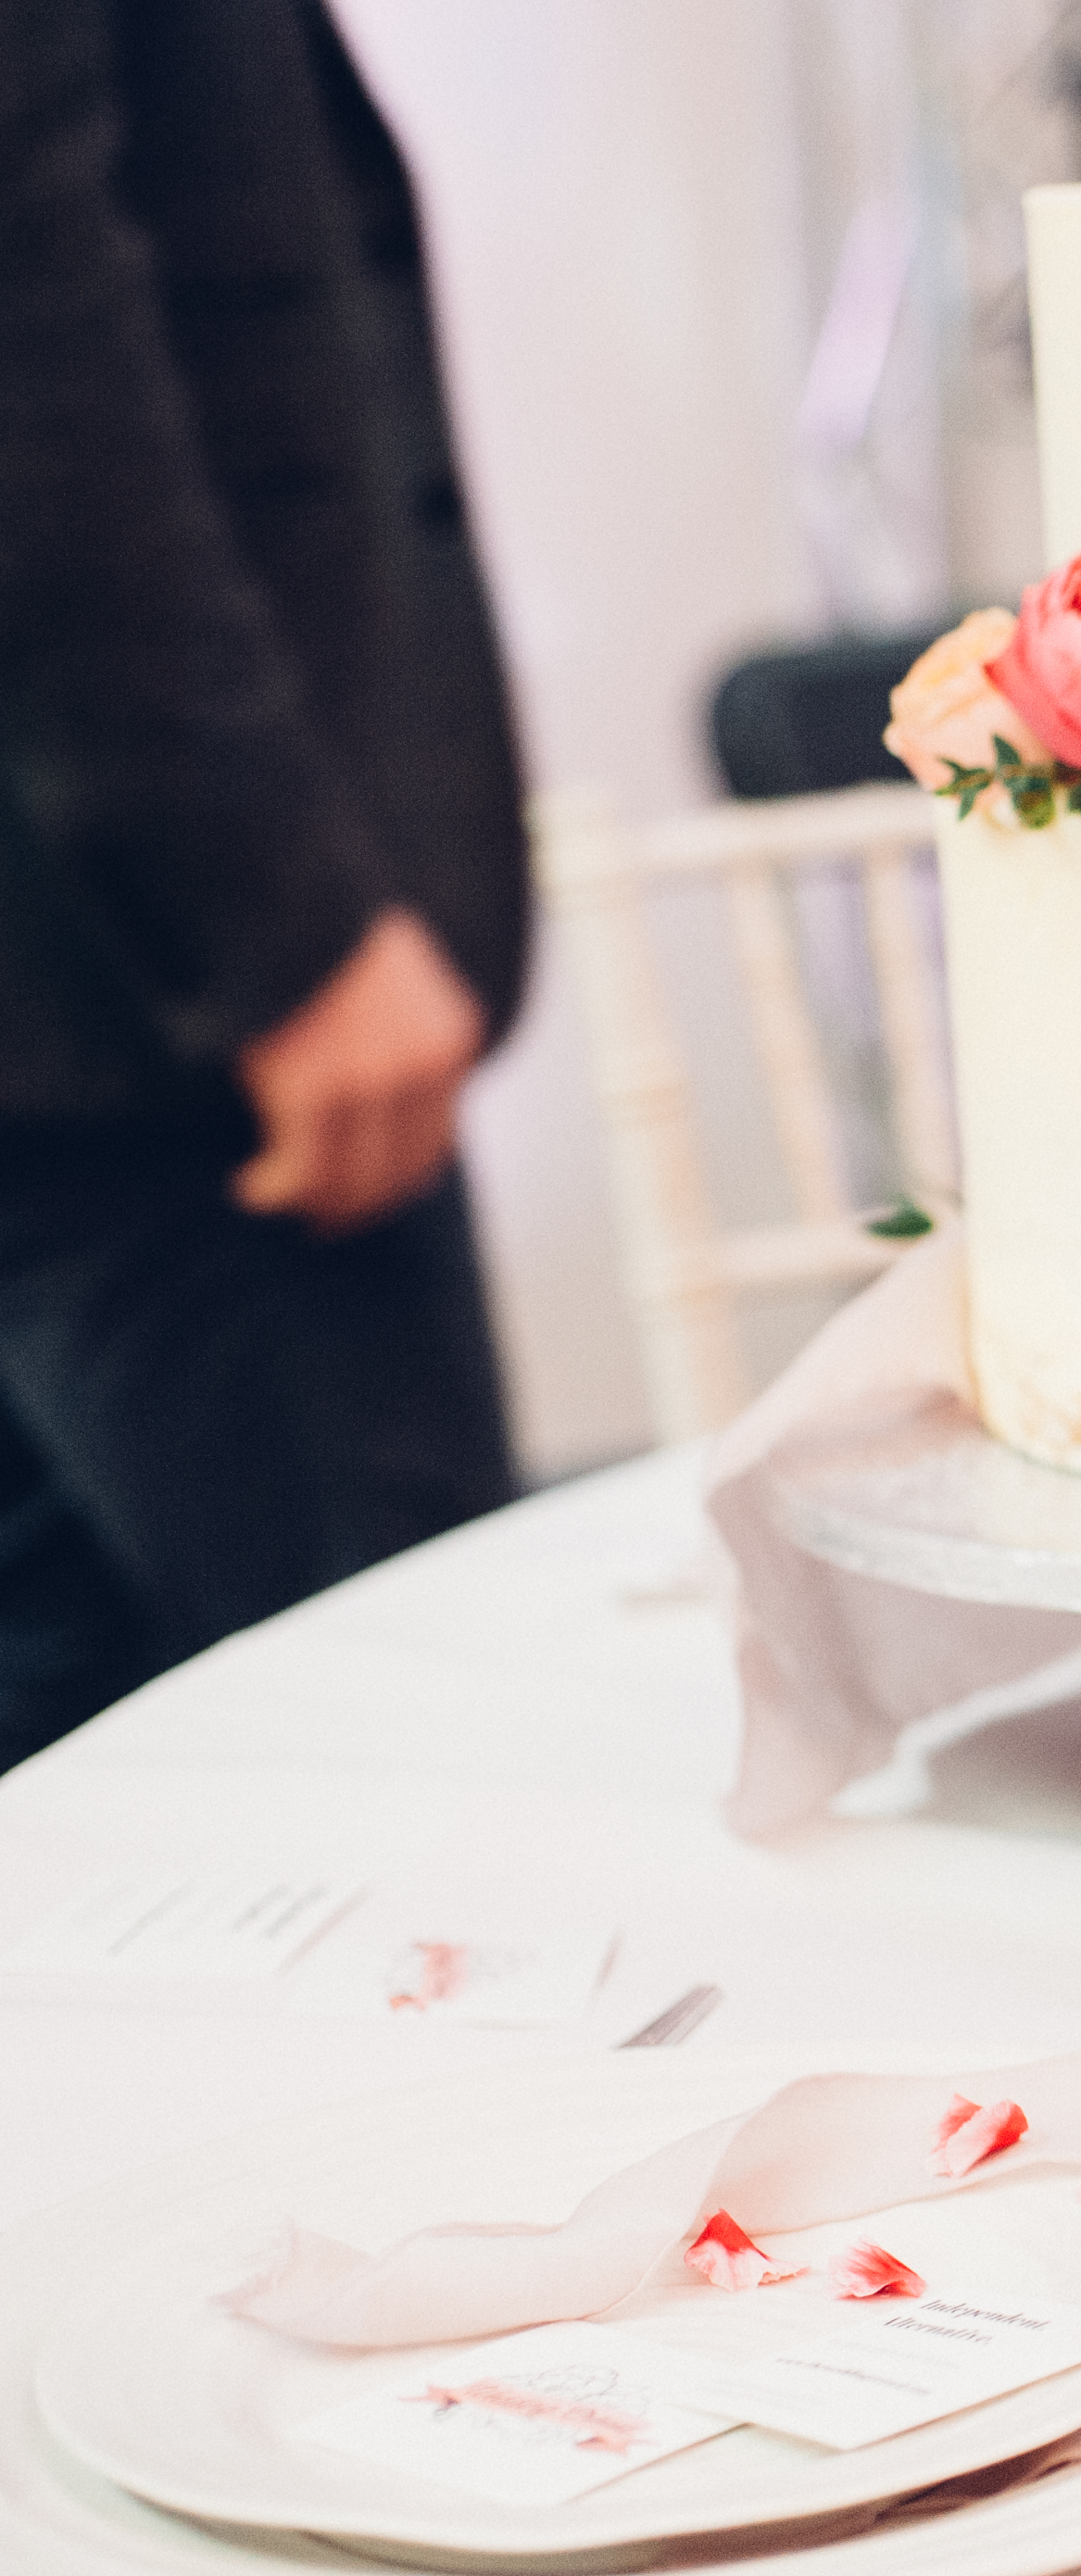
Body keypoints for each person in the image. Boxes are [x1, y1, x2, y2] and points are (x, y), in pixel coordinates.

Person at [0, 0, 529, 1767]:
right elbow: (31, 323)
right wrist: (283, 931)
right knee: (409, 1806)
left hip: (94, 1005)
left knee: (82, 1825)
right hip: (155, 1022)